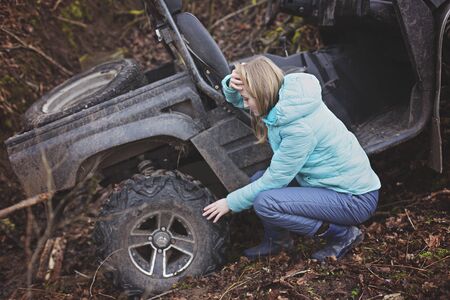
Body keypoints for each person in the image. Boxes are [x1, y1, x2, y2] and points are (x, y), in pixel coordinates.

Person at [202, 56, 381, 262]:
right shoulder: (286, 98)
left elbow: (275, 181)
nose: (245, 104)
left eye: (247, 99)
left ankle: (343, 235)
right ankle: (277, 242)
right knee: (257, 180)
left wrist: (230, 202)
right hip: (327, 184)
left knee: (266, 202)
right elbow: (241, 99)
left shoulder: (297, 128)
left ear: (262, 93)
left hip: (354, 199)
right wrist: (232, 86)